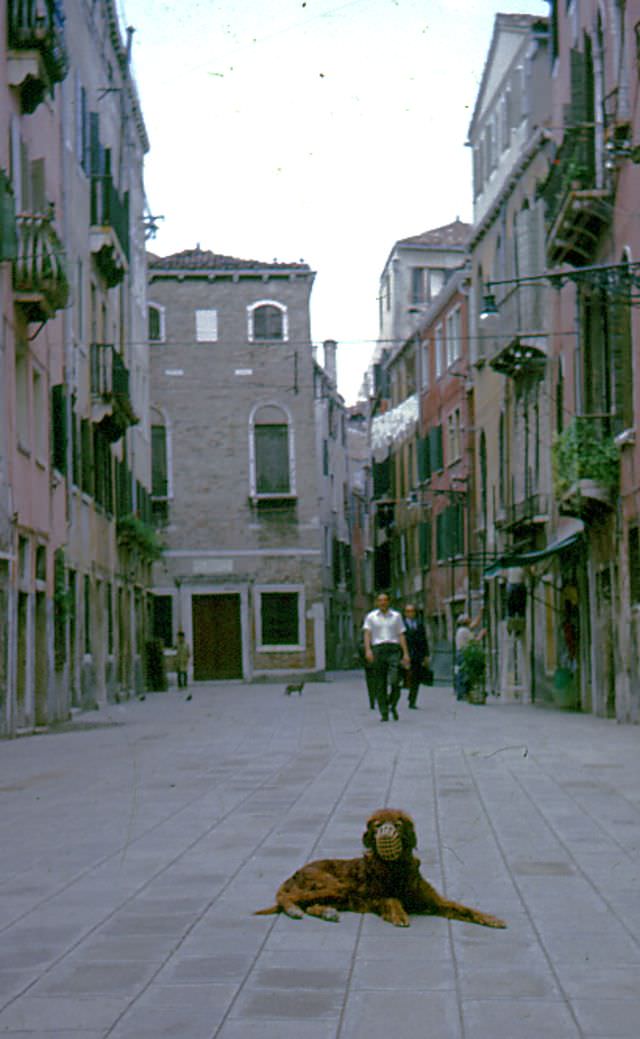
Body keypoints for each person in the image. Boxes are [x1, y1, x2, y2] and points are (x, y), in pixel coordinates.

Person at [363, 592, 410, 721]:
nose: (383, 602)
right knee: (380, 682)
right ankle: (384, 712)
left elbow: (401, 635)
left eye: (385, 600)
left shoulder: (396, 616)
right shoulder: (371, 617)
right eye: (380, 600)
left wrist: (405, 653)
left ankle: (392, 704)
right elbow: (367, 634)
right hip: (378, 650)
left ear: (389, 602)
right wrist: (368, 650)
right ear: (377, 602)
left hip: (393, 650)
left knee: (395, 680)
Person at [402, 604, 430, 709]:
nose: (410, 613)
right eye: (408, 611)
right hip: (405, 655)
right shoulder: (401, 625)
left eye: (412, 611)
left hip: (417, 655)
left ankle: (412, 700)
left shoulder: (419, 624)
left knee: (416, 678)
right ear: (405, 613)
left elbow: (424, 640)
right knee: (404, 677)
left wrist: (426, 655)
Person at [454, 612, 485, 701]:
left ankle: (460, 692)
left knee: (460, 672)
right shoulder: (465, 631)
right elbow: (474, 641)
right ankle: (463, 692)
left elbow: (474, 624)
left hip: (459, 653)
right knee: (464, 673)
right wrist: (481, 634)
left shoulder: (461, 630)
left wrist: (480, 613)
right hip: (464, 654)